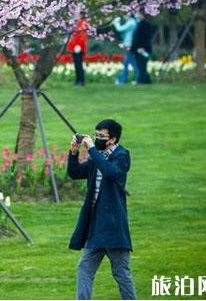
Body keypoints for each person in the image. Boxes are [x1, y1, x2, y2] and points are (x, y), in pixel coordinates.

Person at [67, 119, 136, 300]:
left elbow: (111, 173)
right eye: (95, 135)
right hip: (96, 227)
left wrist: (91, 149)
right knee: (84, 268)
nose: (96, 139)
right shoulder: (96, 155)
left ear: (112, 139)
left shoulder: (121, 156)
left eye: (101, 136)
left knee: (121, 274)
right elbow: (75, 173)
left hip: (114, 226)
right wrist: (73, 152)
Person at [112, 15, 139, 85]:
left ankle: (123, 79)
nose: (124, 17)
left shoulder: (131, 23)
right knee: (132, 62)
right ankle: (136, 78)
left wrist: (116, 22)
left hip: (129, 45)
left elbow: (120, 29)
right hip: (128, 44)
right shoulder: (132, 22)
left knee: (127, 62)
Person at [131, 13, 154, 84]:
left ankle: (141, 81)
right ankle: (146, 80)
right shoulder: (139, 24)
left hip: (142, 48)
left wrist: (142, 47)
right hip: (138, 48)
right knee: (141, 65)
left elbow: (146, 38)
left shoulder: (145, 25)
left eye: (138, 14)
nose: (137, 15)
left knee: (142, 65)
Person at [67, 12, 89, 86]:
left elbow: (82, 36)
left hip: (79, 47)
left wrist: (79, 45)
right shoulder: (77, 23)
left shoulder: (83, 24)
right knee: (77, 64)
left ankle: (81, 81)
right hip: (75, 46)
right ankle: (78, 80)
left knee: (79, 65)